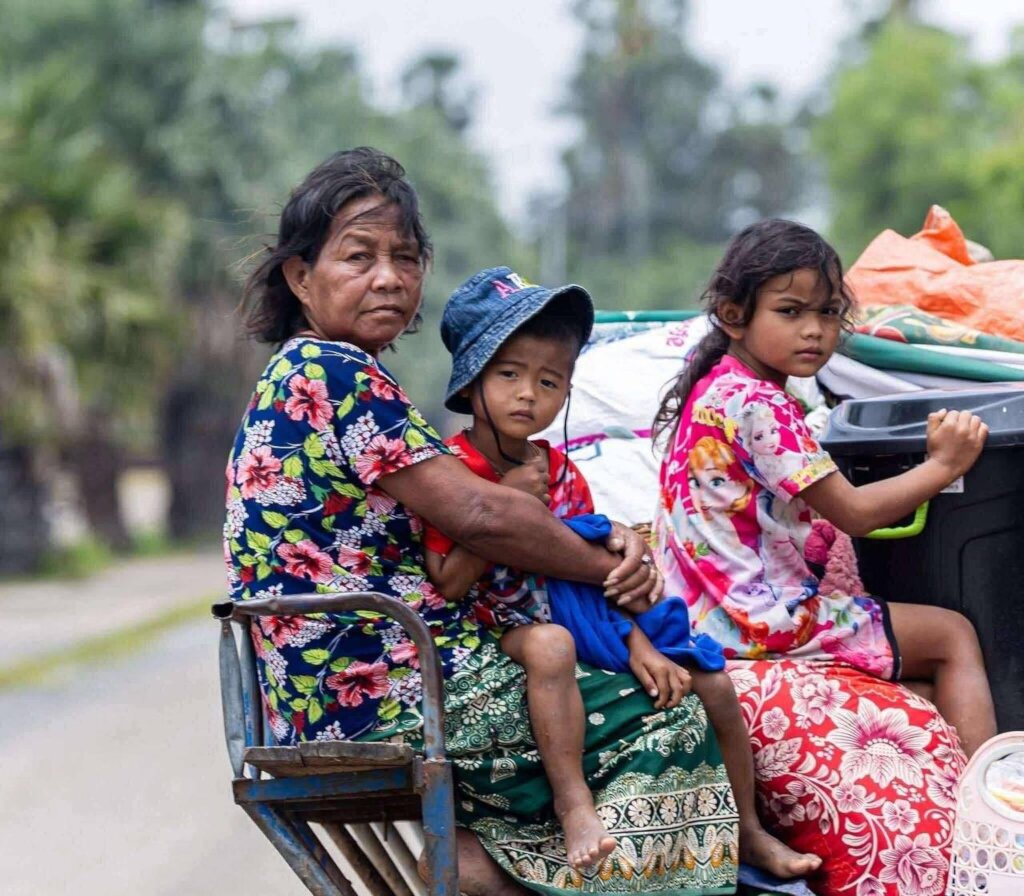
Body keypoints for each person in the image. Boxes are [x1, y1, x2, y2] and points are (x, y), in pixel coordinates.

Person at [225, 147, 740, 896]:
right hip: (389, 690)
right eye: (359, 256)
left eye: (405, 257)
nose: (389, 277)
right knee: (671, 718)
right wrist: (612, 569)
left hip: (334, 690)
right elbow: (479, 512)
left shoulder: (313, 374)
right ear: (301, 278)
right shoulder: (333, 374)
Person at [422, 266, 823, 878]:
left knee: (710, 681)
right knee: (551, 647)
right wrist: (506, 505)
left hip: (586, 619)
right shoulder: (454, 471)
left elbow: (594, 578)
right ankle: (575, 803)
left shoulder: (561, 472)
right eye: (508, 375)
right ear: (472, 381)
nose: (528, 394)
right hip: (499, 629)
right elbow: (448, 581)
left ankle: (748, 830)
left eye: (549, 381)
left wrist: (637, 645)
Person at [653, 217, 997, 758]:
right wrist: (944, 465)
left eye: (828, 312)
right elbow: (857, 514)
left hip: (704, 616)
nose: (813, 330)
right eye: (790, 312)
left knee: (926, 690)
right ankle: (994, 810)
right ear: (733, 316)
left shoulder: (715, 387)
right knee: (952, 635)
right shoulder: (762, 404)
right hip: (762, 622)